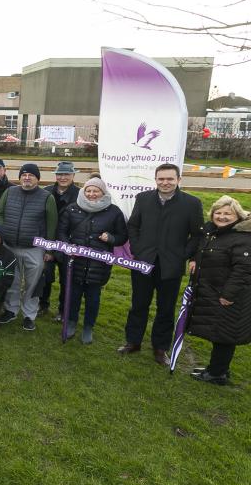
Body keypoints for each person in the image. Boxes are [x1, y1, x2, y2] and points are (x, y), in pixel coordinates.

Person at [118, 163, 203, 365]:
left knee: (165, 308)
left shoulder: (192, 203)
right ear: (155, 179)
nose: (165, 183)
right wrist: (137, 249)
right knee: (138, 304)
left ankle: (160, 347)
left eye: (170, 179)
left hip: (171, 266)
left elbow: (197, 235)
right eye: (161, 179)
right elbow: (133, 226)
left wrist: (184, 254)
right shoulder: (143, 198)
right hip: (143, 262)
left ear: (178, 180)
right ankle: (133, 341)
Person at [189, 196, 251, 385]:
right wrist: (194, 259)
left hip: (229, 295)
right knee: (220, 332)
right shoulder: (215, 233)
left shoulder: (242, 238)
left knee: (225, 334)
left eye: (227, 213)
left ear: (238, 216)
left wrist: (228, 295)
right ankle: (217, 368)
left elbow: (244, 269)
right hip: (214, 290)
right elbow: (202, 250)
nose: (222, 216)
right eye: (218, 212)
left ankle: (217, 374)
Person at [57, 176, 127, 344]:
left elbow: (122, 236)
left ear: (102, 192)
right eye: (88, 190)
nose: (91, 194)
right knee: (73, 295)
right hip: (75, 261)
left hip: (99, 264)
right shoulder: (72, 209)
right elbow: (61, 232)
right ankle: (71, 322)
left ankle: (88, 326)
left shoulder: (114, 212)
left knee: (93, 297)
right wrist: (68, 247)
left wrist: (110, 238)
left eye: (96, 191)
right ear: (83, 191)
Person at [0, 163, 57, 332]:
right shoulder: (10, 192)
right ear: (20, 177)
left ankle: (29, 315)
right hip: (10, 245)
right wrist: (4, 231)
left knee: (32, 283)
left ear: (37, 178)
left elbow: (52, 225)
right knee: (12, 281)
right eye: (24, 174)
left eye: (31, 175)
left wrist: (49, 249)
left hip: (34, 248)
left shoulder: (46, 197)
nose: (27, 177)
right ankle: (11, 310)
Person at [39, 161, 80, 318]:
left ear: (73, 175)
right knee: (45, 275)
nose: (63, 177)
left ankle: (63, 310)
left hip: (69, 242)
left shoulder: (80, 194)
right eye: (60, 174)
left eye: (66, 174)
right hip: (48, 240)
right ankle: (43, 304)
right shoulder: (47, 191)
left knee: (66, 278)